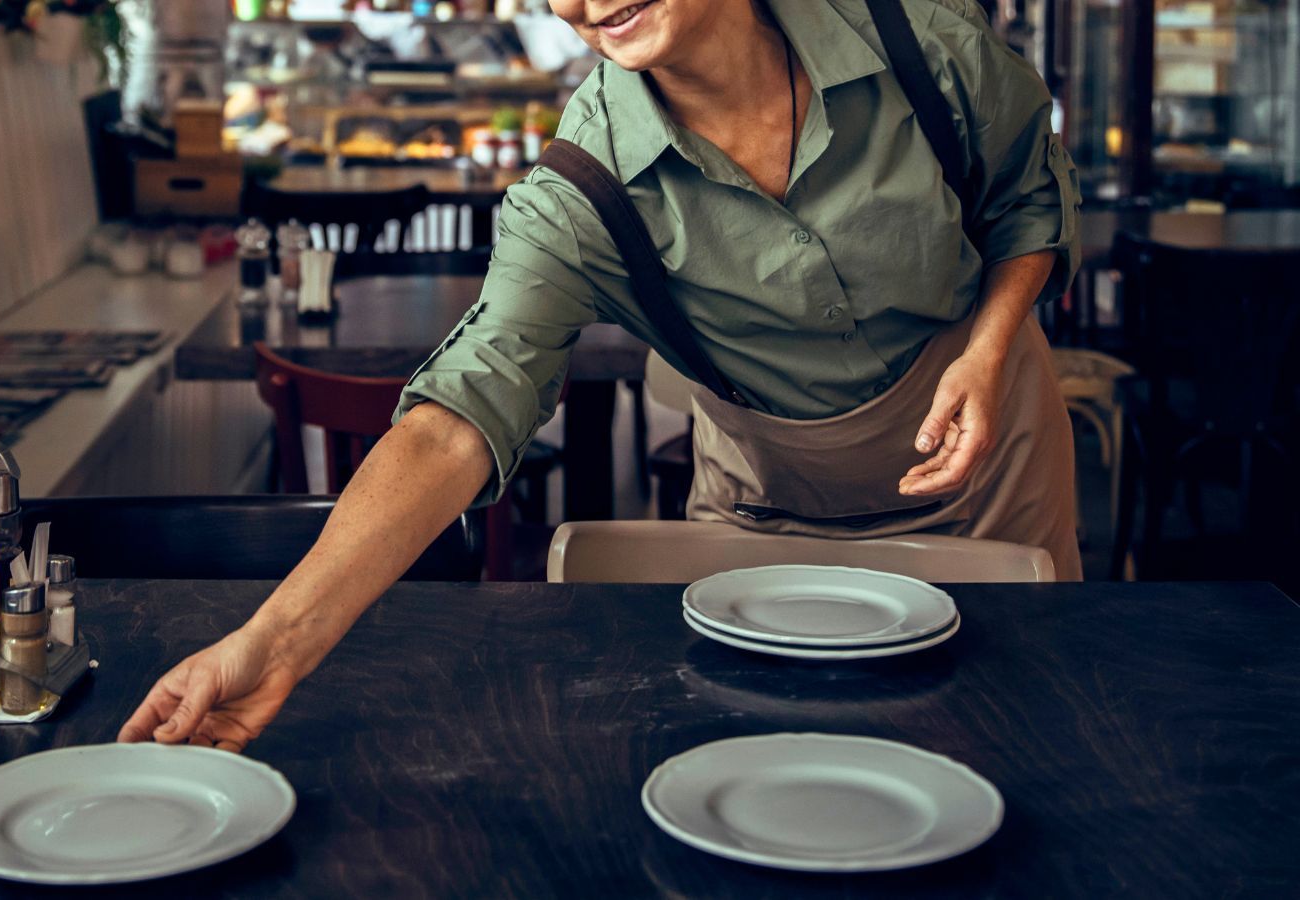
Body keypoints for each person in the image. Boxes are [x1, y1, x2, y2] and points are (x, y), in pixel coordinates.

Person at [120, 0, 1082, 752]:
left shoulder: (913, 35)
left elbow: (1026, 200)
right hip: (767, 507)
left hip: (987, 478)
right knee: (770, 759)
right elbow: (456, 419)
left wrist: (990, 344)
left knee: (1007, 741)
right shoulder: (583, 190)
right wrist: (275, 642)